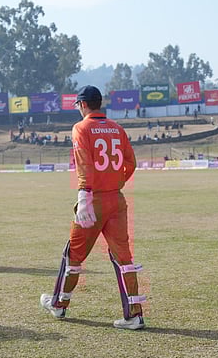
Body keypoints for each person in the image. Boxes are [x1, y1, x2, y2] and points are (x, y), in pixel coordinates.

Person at [41, 86, 147, 329]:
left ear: (82, 104)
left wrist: (84, 194)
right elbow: (131, 162)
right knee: (124, 259)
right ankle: (134, 314)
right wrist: (117, 181)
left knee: (74, 255)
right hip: (116, 200)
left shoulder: (81, 128)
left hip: (92, 199)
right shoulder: (117, 128)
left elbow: (84, 164)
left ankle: (59, 304)